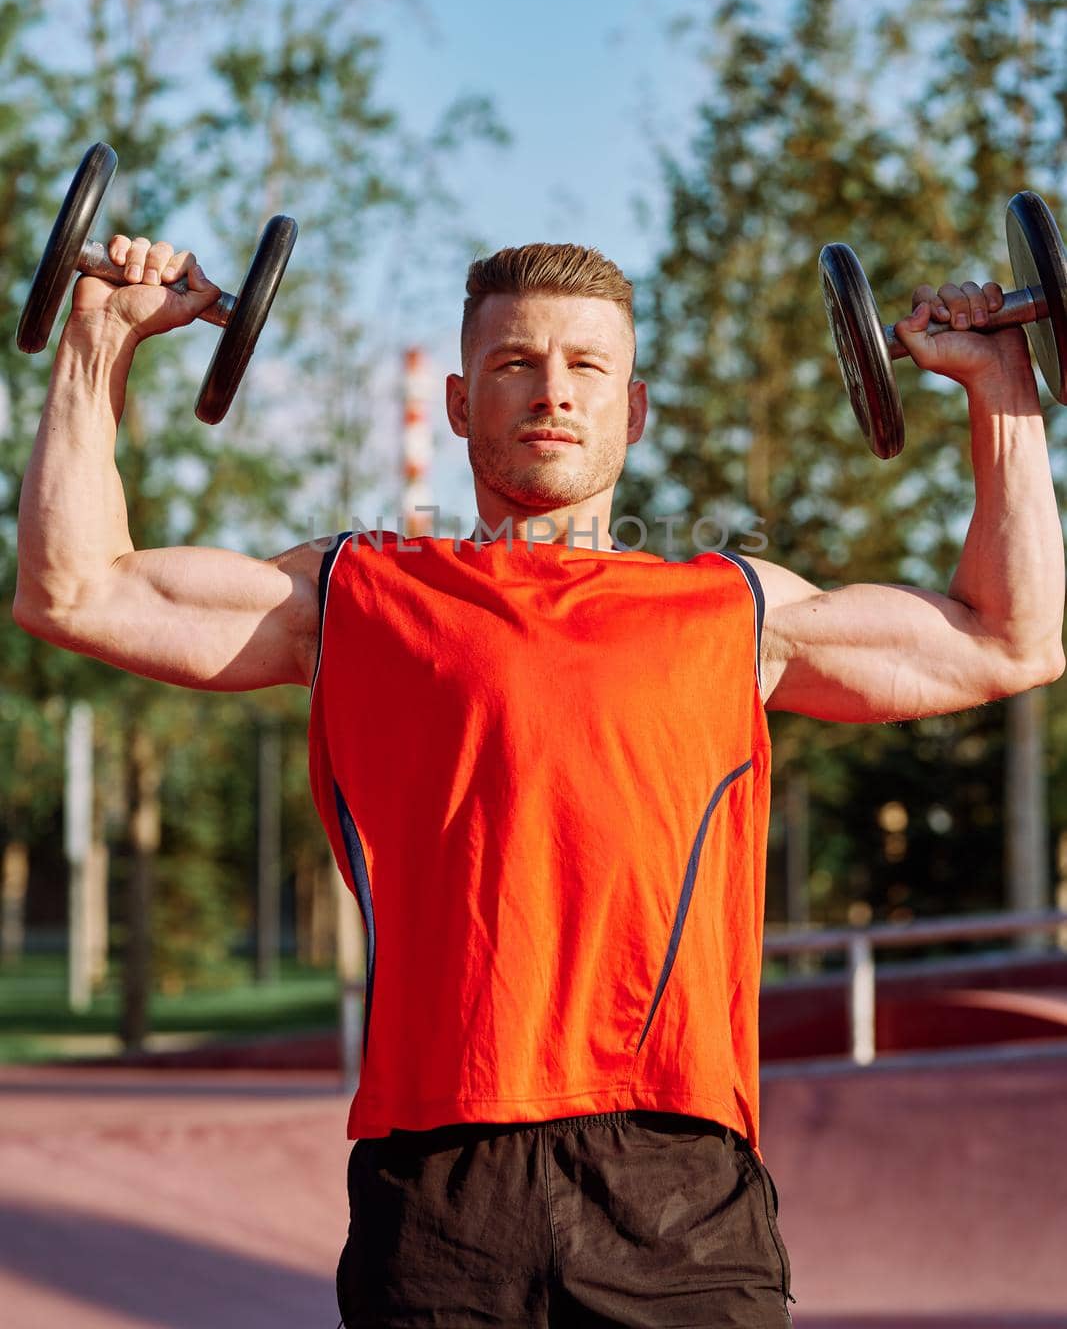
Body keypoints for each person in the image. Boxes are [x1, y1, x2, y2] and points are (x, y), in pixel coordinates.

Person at [14, 232, 1064, 1329]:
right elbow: (74, 590)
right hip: (438, 1186)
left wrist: (1000, 393)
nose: (551, 392)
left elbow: (1008, 639)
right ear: (461, 403)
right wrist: (95, 346)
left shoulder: (734, 612)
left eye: (585, 366)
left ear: (636, 408)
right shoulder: (357, 597)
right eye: (516, 364)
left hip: (678, 1183)